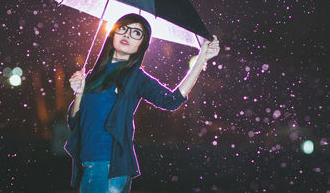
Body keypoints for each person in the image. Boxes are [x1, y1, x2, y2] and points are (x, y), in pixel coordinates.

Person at [65, 13, 220, 192]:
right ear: (112, 34)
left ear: (142, 45)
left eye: (136, 33)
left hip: (108, 165)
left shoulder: (136, 77)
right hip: (88, 163)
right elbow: (75, 123)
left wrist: (201, 60)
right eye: (123, 28)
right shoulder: (93, 75)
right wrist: (79, 93)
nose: (127, 34)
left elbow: (171, 100)